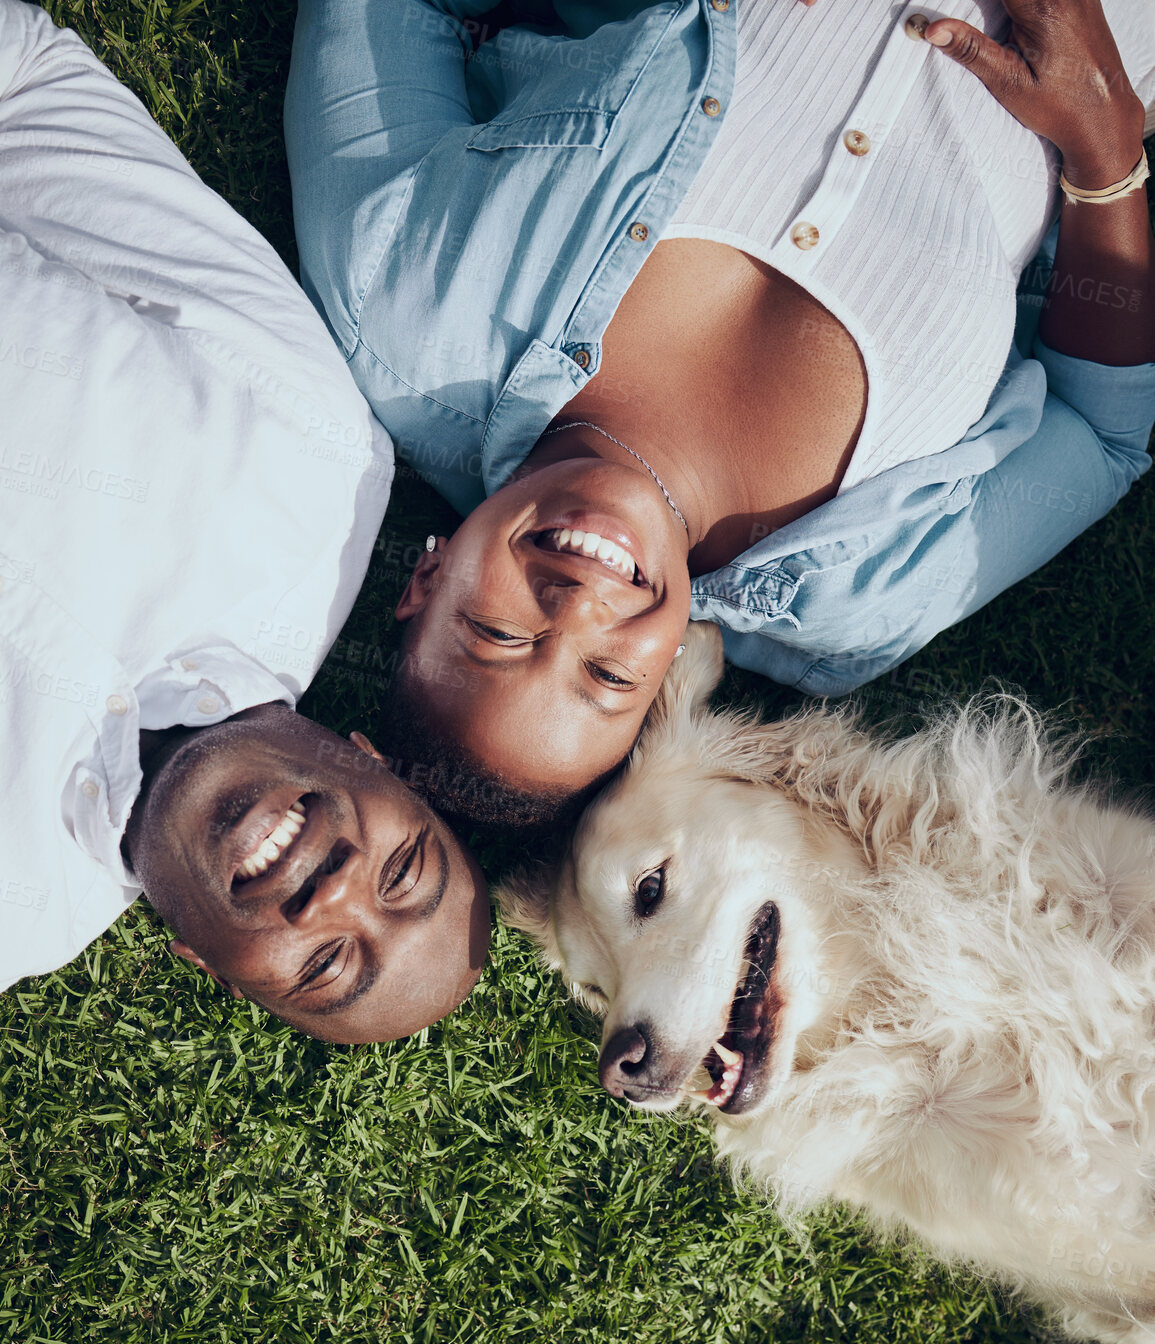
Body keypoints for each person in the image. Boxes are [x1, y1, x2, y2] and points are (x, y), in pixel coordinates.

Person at [286, 0, 1155, 828]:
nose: (575, 606)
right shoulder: (859, 599)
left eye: (497, 632)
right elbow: (1102, 430)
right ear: (664, 677)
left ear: (427, 580)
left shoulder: (400, 303)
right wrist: (1103, 145)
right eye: (606, 678)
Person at [0, 0, 489, 1039]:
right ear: (380, 758)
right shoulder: (313, 458)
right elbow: (26, 88)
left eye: (324, 966)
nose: (334, 894)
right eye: (403, 869)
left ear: (203, 963)